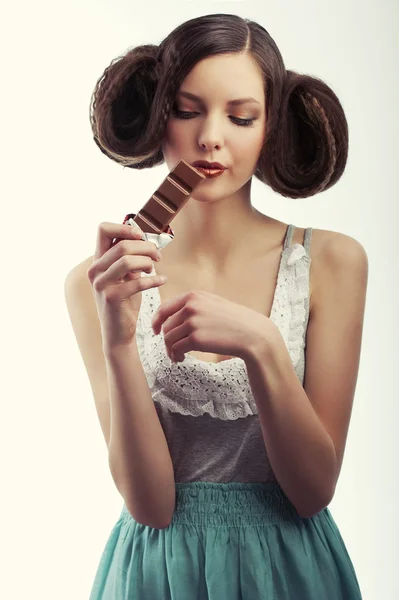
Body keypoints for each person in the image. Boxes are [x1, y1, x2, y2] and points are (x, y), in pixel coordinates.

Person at [65, 13, 368, 599]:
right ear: (159, 115)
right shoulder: (97, 281)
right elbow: (150, 507)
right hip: (156, 575)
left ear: (271, 126)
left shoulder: (330, 262)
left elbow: (312, 491)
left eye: (240, 116)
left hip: (290, 570)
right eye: (187, 109)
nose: (211, 136)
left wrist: (261, 345)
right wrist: (120, 339)